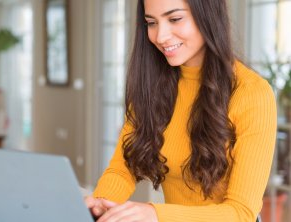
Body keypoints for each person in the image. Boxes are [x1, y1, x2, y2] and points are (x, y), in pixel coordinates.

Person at [85, 0, 277, 221]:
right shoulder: (152, 86)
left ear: (207, 14)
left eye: (175, 19)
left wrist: (154, 214)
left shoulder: (252, 94)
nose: (160, 36)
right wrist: (100, 204)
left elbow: (241, 212)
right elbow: (123, 168)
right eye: (151, 22)